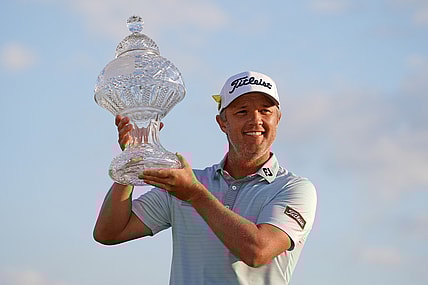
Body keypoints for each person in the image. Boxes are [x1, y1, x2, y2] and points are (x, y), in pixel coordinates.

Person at [93, 71, 317, 285]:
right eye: (242, 112)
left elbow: (258, 251)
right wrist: (132, 162)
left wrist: (195, 195)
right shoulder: (185, 183)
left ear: (277, 119)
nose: (255, 120)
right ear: (222, 123)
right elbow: (110, 232)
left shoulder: (294, 189)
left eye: (265, 111)